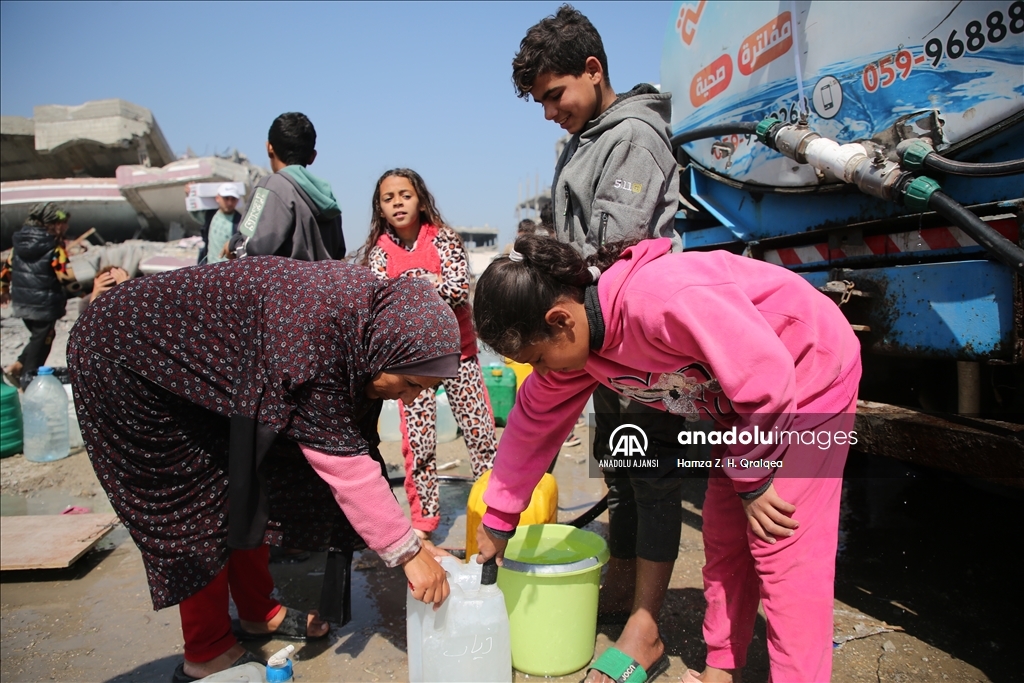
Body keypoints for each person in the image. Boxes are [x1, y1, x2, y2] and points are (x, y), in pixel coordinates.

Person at [473, 235, 861, 683]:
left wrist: (754, 479)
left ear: (560, 320)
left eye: (539, 359)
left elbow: (766, 374)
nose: (543, 373)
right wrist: (499, 518)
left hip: (809, 372)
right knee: (725, 531)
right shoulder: (582, 349)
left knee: (783, 545)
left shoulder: (661, 300)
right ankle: (722, 670)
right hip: (746, 405)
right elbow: (532, 421)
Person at [67, 256, 459, 681]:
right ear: (386, 348)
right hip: (124, 356)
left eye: (424, 390)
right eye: (411, 384)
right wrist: (406, 551)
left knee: (249, 478)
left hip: (194, 365)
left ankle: (257, 611)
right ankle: (207, 650)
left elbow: (353, 449)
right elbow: (345, 465)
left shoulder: (367, 321)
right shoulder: (319, 335)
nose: (409, 399)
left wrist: (410, 544)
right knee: (192, 504)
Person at [510, 5, 695, 679]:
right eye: (541, 101)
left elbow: (614, 250)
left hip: (639, 342)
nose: (550, 111)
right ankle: (621, 578)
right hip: (600, 341)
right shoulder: (585, 140)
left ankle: (647, 622)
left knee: (651, 473)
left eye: (555, 95)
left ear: (593, 70)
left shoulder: (635, 137)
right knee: (619, 465)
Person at [359, 168, 498, 540]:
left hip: (460, 357)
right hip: (411, 368)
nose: (398, 203)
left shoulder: (445, 239)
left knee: (481, 436)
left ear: (419, 198)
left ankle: (494, 513)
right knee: (418, 445)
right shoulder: (379, 253)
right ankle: (424, 521)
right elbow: (380, 306)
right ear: (381, 208)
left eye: (405, 195)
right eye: (389, 199)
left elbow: (455, 290)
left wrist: (404, 289)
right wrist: (427, 283)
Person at [229, 112, 345, 261]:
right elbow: (339, 252)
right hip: (321, 284)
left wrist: (232, 246)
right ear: (312, 156)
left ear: (269, 147)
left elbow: (252, 251)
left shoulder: (272, 186)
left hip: (283, 284)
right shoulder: (326, 196)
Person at [1, 202, 81, 389]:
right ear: (53, 223)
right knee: (42, 340)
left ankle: (18, 366)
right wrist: (82, 292)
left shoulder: (19, 242)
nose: (66, 227)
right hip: (44, 303)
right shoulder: (53, 245)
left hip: (22, 301)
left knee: (40, 336)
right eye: (64, 223)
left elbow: (7, 268)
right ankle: (28, 381)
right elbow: (65, 275)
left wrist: (3, 289)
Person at [188, 183, 243, 265]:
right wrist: (190, 193)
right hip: (208, 265)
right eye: (226, 198)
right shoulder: (210, 215)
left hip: (227, 269)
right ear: (217, 198)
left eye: (233, 199)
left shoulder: (240, 222)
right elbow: (194, 212)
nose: (229, 202)